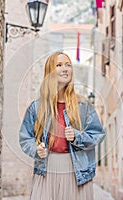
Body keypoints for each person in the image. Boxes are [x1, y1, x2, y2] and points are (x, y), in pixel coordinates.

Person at [19, 52, 105, 200]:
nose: (65, 69)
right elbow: (25, 138)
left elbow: (97, 134)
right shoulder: (36, 107)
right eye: (59, 65)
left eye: (68, 65)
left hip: (77, 171)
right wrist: (36, 149)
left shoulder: (83, 105)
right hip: (46, 168)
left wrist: (77, 136)